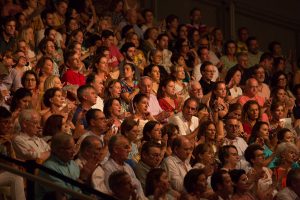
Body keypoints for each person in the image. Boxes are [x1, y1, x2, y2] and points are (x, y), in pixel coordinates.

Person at [103, 135, 146, 199]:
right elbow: (110, 193)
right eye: (126, 147)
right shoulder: (107, 168)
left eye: (129, 147)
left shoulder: (127, 166)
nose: (129, 150)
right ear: (115, 149)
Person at [0, 107, 26, 200]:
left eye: (10, 122)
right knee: (16, 177)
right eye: (5, 122)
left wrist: (9, 148)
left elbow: (13, 165)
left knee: (19, 174)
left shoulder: (6, 139)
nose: (10, 126)